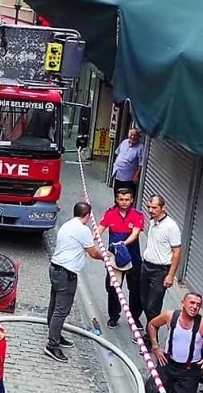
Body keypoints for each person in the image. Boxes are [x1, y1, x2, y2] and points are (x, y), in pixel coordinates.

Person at [45, 202, 103, 363]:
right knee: (61, 310)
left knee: (54, 303)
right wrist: (106, 257)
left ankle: (54, 334)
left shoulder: (67, 225)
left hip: (56, 268)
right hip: (66, 273)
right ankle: (52, 344)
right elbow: (93, 252)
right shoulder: (83, 230)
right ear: (88, 216)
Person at [147, 292, 203, 393]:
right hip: (167, 364)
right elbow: (152, 325)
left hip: (189, 372)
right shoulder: (170, 316)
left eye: (198, 305)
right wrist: (156, 347)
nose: (195, 307)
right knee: (151, 389)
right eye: (192, 303)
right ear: (183, 303)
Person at [97, 187, 145, 329]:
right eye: (121, 199)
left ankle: (135, 318)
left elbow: (135, 234)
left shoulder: (137, 215)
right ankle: (113, 316)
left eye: (127, 200)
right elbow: (100, 229)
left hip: (133, 259)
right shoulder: (110, 214)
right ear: (116, 199)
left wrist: (122, 244)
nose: (124, 202)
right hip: (115, 260)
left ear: (131, 200)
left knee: (135, 289)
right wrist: (91, 238)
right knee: (113, 288)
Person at [141, 195, 182, 347]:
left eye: (154, 208)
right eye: (149, 207)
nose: (150, 210)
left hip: (160, 270)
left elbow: (177, 252)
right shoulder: (153, 222)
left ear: (163, 208)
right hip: (147, 266)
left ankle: (151, 339)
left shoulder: (171, 227)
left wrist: (170, 275)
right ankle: (149, 328)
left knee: (154, 306)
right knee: (144, 301)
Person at [111, 128, 144, 198]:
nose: (132, 137)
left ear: (138, 137)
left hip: (128, 178)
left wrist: (136, 175)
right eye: (131, 135)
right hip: (118, 173)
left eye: (135, 135)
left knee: (126, 196)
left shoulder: (140, 147)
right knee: (117, 194)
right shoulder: (124, 142)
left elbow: (141, 163)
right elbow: (118, 153)